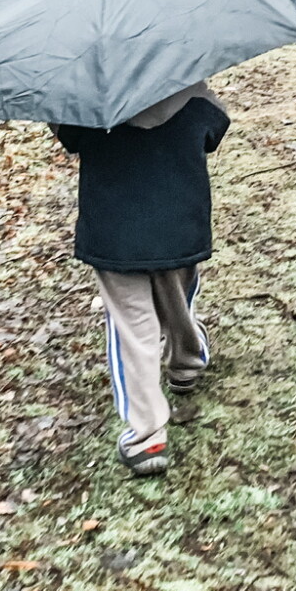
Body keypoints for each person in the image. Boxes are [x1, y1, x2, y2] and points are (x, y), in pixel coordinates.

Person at [54, 83, 229, 476]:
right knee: (177, 296)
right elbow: (214, 131)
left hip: (114, 231)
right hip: (179, 222)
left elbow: (70, 137)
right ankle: (186, 362)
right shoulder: (190, 90)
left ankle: (147, 434)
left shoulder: (85, 95)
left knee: (132, 327)